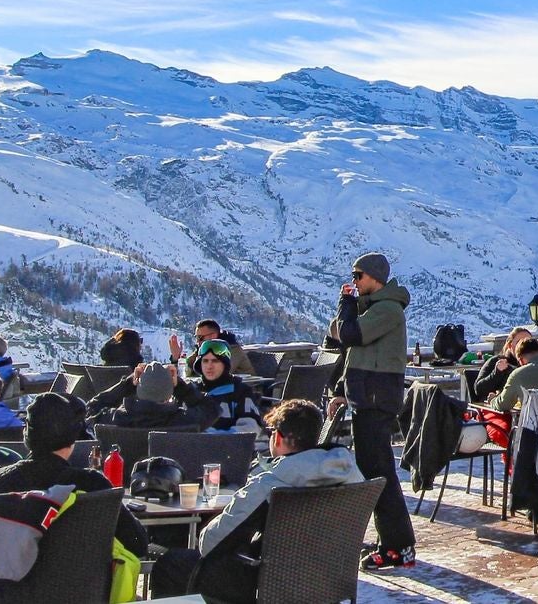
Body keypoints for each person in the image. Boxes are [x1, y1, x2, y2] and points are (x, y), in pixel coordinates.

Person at [150, 400, 362, 601]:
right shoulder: (351, 477)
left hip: (268, 583)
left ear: (278, 438)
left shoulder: (269, 484)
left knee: (171, 564)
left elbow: (210, 544)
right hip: (330, 580)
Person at [324, 251, 417, 570]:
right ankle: (390, 540)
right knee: (373, 471)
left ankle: (399, 544)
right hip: (366, 398)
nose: (353, 282)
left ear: (374, 276)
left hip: (376, 400)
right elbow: (340, 341)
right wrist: (340, 392)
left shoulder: (388, 309)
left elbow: (349, 334)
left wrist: (347, 305)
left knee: (379, 473)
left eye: (358, 276)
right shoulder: (374, 308)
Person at [0, 392, 151, 556]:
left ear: (27, 436)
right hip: (80, 583)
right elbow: (137, 544)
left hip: (8, 582)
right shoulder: (92, 484)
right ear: (72, 437)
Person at [88, 361, 218, 431]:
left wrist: (128, 383)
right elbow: (212, 409)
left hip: (123, 478)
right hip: (170, 478)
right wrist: (180, 386)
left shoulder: (117, 418)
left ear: (139, 390)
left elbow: (91, 408)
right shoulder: (182, 420)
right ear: (169, 394)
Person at [186, 340, 263, 433]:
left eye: (215, 361)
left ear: (225, 365)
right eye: (205, 361)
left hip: (227, 445)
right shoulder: (191, 391)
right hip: (190, 444)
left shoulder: (240, 391)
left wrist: (213, 436)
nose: (209, 366)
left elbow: (251, 428)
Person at [171, 319, 256, 377]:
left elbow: (219, 374)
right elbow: (187, 369)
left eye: (200, 337)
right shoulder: (202, 349)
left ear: (213, 336)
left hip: (246, 394)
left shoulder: (232, 349)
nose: (198, 341)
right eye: (196, 337)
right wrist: (176, 358)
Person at [472, 326, 533, 401]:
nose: (524, 346)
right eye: (519, 342)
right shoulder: (496, 361)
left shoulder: (534, 364)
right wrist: (497, 372)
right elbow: (479, 390)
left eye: (528, 342)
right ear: (510, 345)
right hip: (499, 407)